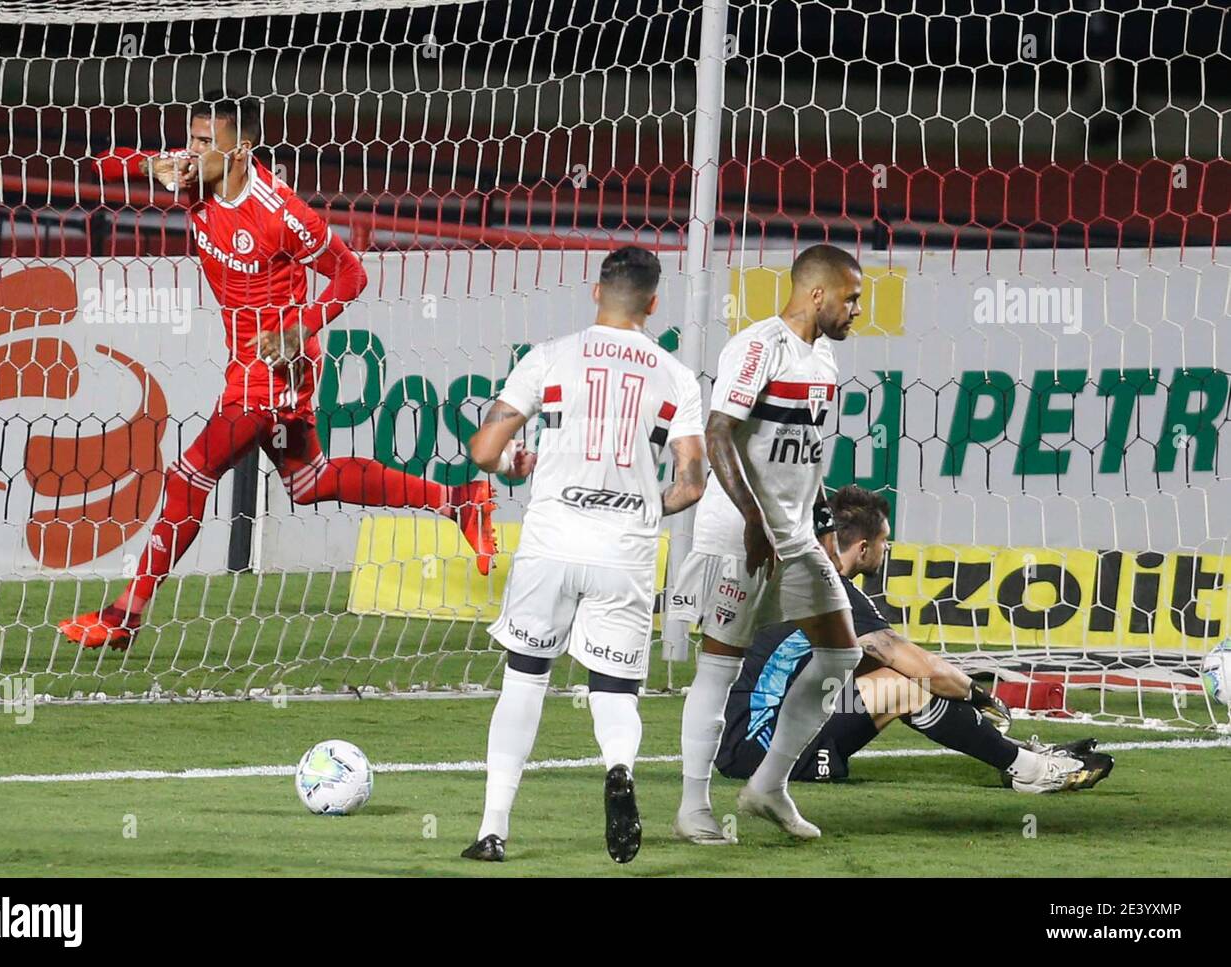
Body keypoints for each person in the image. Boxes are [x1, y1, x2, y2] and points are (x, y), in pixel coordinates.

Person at [61, 98, 496, 649]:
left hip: (278, 366)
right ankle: (457, 500)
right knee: (309, 481)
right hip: (246, 363)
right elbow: (99, 163)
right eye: (189, 140)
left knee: (190, 475)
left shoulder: (281, 211)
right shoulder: (194, 176)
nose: (190, 152)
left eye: (202, 142)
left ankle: (125, 614)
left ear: (239, 149)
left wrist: (300, 327)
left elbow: (350, 274)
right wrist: (149, 165)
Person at [460, 246, 707, 864]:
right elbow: (693, 479)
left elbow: (486, 450)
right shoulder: (674, 375)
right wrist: (647, 508)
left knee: (525, 679)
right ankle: (619, 767)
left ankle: (493, 830)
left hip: (552, 540)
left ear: (596, 292)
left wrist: (516, 464)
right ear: (653, 304)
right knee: (615, 690)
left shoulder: (548, 357)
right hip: (623, 550)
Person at [715, 485, 1116, 795]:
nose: (887, 550)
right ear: (863, 546)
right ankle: (1029, 772)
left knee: (895, 677)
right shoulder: (830, 590)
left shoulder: (805, 575)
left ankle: (1020, 759)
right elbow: (920, 668)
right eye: (885, 541)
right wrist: (979, 696)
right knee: (904, 685)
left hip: (756, 732)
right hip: (757, 748)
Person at [671, 243, 864, 845]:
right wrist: (754, 521)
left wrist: (822, 522)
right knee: (719, 668)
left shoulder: (826, 359)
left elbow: (801, 456)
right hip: (740, 535)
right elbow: (719, 432)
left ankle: (768, 786)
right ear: (816, 293)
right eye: (850, 298)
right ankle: (692, 807)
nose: (856, 310)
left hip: (795, 535)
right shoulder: (758, 346)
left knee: (840, 656)